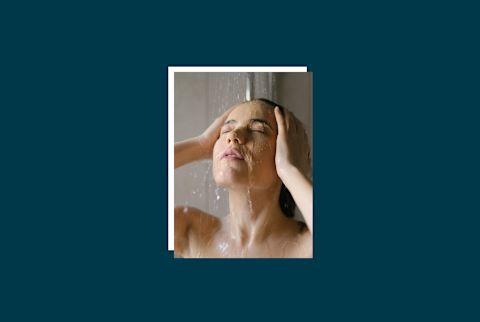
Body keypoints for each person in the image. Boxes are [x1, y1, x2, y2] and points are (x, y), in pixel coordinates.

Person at [174, 99, 312, 258]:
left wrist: (288, 167)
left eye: (258, 129)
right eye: (225, 130)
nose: (233, 135)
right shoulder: (188, 230)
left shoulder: (304, 245)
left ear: (286, 152)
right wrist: (200, 144)